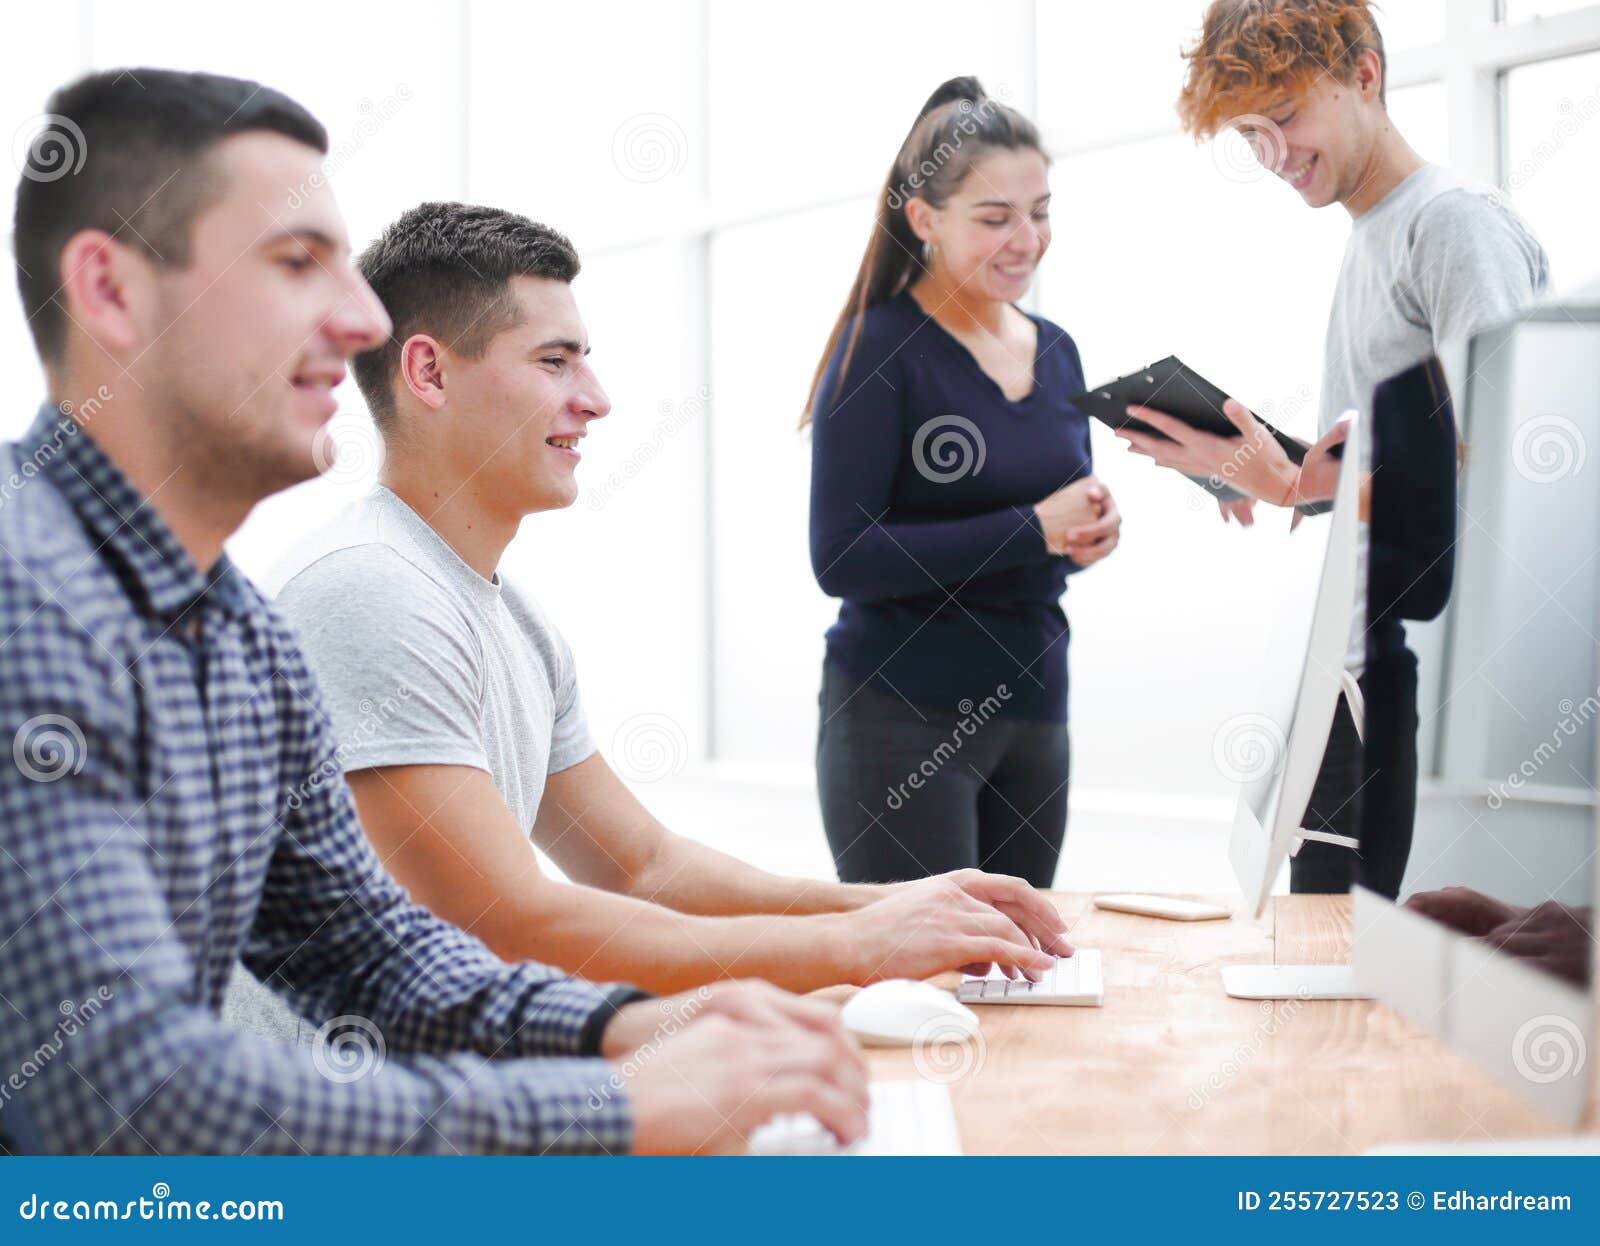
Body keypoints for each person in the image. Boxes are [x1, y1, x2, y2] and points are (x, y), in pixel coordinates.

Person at [0, 67, 867, 1157]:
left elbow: (371, 951)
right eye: (295, 262)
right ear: (111, 290)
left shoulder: (241, 632)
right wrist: (619, 1102)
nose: (361, 317)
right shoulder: (26, 600)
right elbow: (124, 1093)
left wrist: (632, 1024)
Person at [254, 200, 1069, 1003]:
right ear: (428, 371)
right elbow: (507, 924)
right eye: (554, 361)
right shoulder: (367, 590)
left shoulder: (514, 622)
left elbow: (642, 866)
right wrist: (859, 945)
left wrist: (895, 904)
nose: (597, 398)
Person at [1115, 0, 1548, 896]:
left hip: (1401, 684)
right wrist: (1260, 472)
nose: (1272, 154)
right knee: (1321, 966)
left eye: (1283, 119)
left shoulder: (1452, 226)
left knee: (1359, 988)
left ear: (1364, 75)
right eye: (1251, 136)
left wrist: (1292, 479)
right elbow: (1396, 467)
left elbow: (1509, 470)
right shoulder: (1373, 236)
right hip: (1344, 676)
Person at [805, 77, 1120, 890]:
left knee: (1018, 989)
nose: (1027, 239)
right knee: (926, 999)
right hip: (901, 722)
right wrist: (1034, 528)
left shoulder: (1058, 351)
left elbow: (1042, 541)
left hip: (1036, 712)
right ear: (925, 219)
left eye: (1040, 211)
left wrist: (1082, 538)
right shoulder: (879, 348)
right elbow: (842, 558)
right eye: (994, 218)